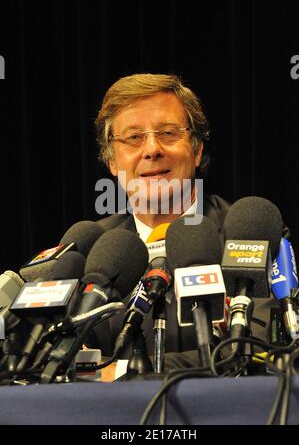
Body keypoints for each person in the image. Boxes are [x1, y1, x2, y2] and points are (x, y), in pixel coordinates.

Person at [91, 73, 286, 373]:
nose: (152, 149)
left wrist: (119, 372)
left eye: (168, 133)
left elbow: (259, 349)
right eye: (133, 138)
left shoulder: (252, 233)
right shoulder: (92, 249)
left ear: (196, 150)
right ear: (113, 162)